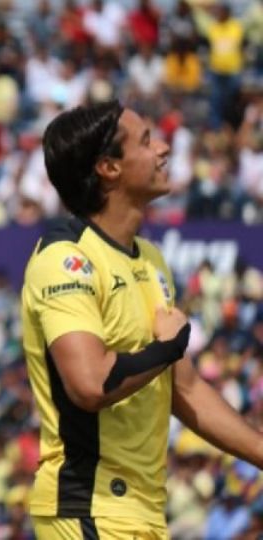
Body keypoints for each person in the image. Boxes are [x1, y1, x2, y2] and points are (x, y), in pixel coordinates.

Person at [23, 100, 263, 538]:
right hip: (88, 508)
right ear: (109, 167)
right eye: (147, 141)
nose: (164, 149)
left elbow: (185, 388)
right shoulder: (65, 259)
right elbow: (90, 384)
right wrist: (167, 347)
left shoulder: (150, 259)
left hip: (142, 513)